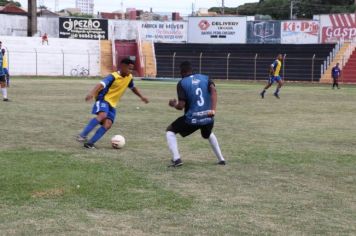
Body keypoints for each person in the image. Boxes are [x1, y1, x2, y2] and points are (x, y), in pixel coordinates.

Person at [76, 58, 149, 149]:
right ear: (122, 66)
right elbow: (101, 84)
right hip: (103, 99)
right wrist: (91, 93)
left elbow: (133, 88)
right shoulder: (113, 76)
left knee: (108, 124)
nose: (130, 71)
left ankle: (90, 144)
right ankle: (82, 135)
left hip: (112, 104)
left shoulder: (129, 77)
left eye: (132, 69)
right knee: (102, 115)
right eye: (129, 69)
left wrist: (141, 97)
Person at [166, 61, 225, 167]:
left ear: (181, 72)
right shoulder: (205, 78)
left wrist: (174, 104)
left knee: (170, 131)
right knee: (207, 134)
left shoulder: (182, 83)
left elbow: (181, 106)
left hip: (192, 119)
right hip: (208, 117)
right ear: (191, 69)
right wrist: (213, 110)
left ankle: (177, 159)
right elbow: (214, 91)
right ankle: (221, 159)